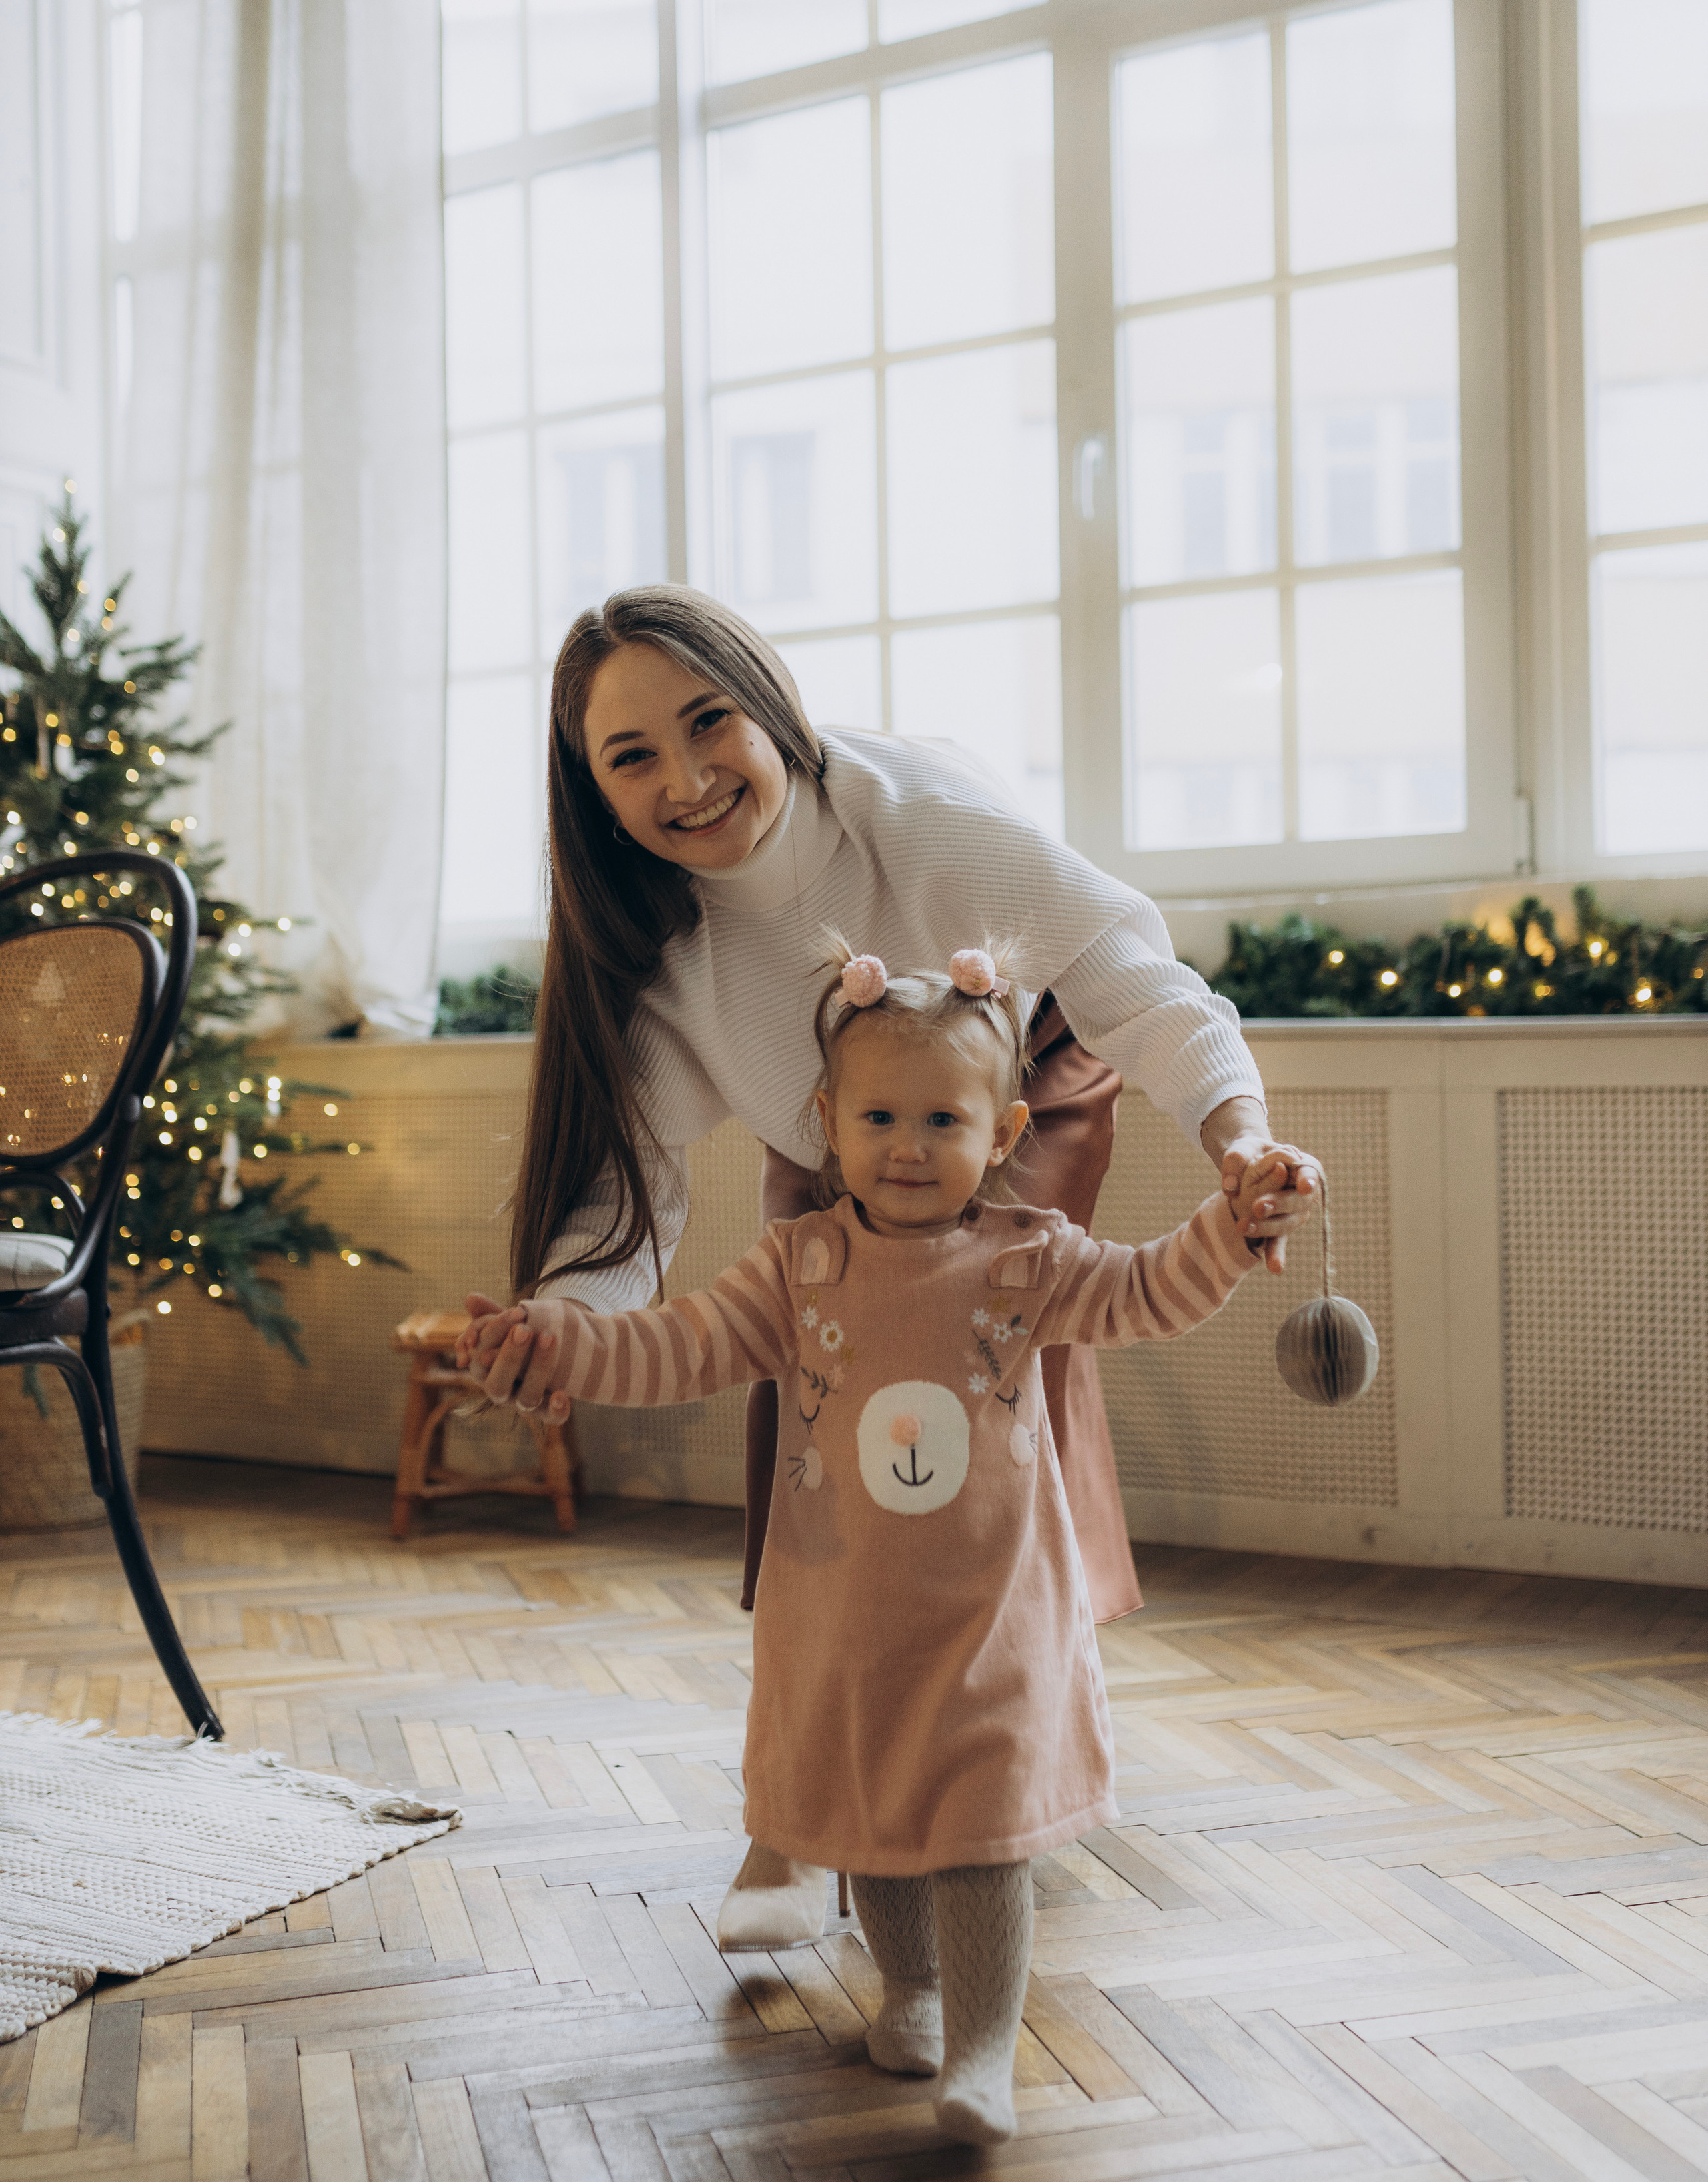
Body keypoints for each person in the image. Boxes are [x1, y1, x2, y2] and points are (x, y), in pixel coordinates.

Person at [461, 583, 1320, 1950]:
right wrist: (559, 1328)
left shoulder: (926, 819)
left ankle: (1006, 1736)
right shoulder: (657, 954)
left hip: (1021, 1074)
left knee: (991, 1365)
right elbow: (625, 1195)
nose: (685, 780)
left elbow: (1140, 987)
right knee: (812, 1366)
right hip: (833, 1116)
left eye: (708, 723)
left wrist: (1240, 1141)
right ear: (592, 790)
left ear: (772, 706)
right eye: (632, 757)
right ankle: (801, 1802)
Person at [460, 941, 1281, 2143]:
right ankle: (915, 1993)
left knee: (983, 1837)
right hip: (848, 1623)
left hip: (998, 1623)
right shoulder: (800, 1270)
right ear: (827, 1129)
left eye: (943, 1119)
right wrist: (558, 1340)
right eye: (879, 1118)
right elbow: (676, 1347)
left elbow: (1153, 1288)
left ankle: (984, 2054)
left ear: (1002, 1134)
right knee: (877, 1826)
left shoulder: (1032, 1259)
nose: (907, 1145)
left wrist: (1231, 1222)